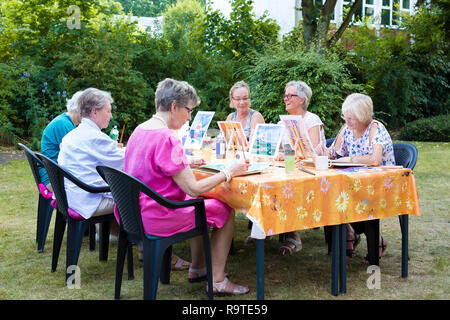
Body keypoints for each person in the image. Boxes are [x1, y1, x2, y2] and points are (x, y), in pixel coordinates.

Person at [123, 78, 251, 296]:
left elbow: (150, 165)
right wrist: (229, 171)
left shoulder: (140, 129)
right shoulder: (167, 137)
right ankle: (217, 280)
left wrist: (185, 163)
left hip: (134, 213)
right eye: (189, 110)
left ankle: (199, 267)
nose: (189, 117)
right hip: (159, 216)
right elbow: (193, 189)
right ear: (174, 107)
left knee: (201, 205)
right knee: (223, 209)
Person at [327, 93, 394, 263]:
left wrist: (351, 159)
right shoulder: (346, 128)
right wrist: (321, 151)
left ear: (364, 117)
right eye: (345, 117)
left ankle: (371, 242)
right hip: (355, 184)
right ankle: (353, 235)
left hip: (380, 186)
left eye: (352, 118)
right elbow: (333, 153)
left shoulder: (375, 128)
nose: (347, 122)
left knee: (353, 203)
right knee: (329, 195)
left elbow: (375, 159)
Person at [57, 88, 124, 236]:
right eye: (108, 111)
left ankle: (122, 237)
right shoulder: (94, 137)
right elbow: (125, 163)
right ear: (94, 112)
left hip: (69, 195)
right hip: (86, 200)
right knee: (138, 197)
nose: (111, 116)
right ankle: (145, 246)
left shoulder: (72, 135)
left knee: (126, 191)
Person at [277, 80, 327, 255]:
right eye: (285, 95)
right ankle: (263, 230)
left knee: (285, 188)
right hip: (290, 169)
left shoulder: (311, 120)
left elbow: (312, 153)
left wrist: (286, 155)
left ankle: (293, 235)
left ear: (302, 99)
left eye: (290, 95)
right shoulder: (284, 121)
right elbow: (277, 147)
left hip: (311, 174)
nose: (286, 99)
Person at [38, 90, 84, 194]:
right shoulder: (63, 125)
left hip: (55, 174)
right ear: (79, 108)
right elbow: (79, 156)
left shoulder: (65, 121)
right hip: (54, 179)